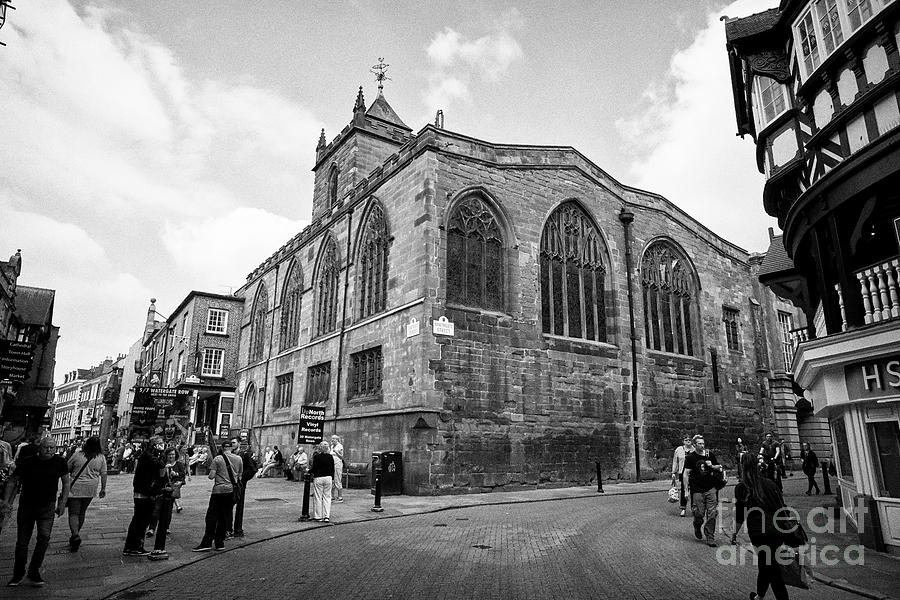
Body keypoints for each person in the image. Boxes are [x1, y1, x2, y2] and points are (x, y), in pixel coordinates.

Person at [2, 437, 70, 587]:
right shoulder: (27, 462)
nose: (49, 450)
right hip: (27, 506)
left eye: (52, 448)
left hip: (48, 507)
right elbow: (13, 480)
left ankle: (34, 571)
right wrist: (7, 501)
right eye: (46, 447)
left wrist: (63, 502)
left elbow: (66, 481)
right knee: (22, 542)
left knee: (44, 539)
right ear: (40, 447)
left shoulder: (60, 462)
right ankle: (18, 573)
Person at [731, 452, 793, 600]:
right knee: (767, 565)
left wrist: (734, 534)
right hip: (776, 530)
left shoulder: (742, 487)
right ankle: (759, 596)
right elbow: (782, 507)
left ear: (741, 466)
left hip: (759, 533)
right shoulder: (770, 483)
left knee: (772, 570)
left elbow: (740, 516)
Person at [192, 439, 243, 552]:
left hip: (219, 491)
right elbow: (239, 476)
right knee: (224, 517)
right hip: (230, 491)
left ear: (222, 448)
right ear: (231, 448)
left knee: (211, 517)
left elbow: (211, 476)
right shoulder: (238, 459)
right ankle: (220, 543)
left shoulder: (218, 459)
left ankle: (207, 542)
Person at [122, 438, 167, 556]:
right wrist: (162, 455)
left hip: (145, 490)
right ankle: (135, 546)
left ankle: (133, 546)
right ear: (154, 445)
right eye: (159, 444)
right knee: (141, 519)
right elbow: (160, 465)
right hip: (145, 491)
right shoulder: (148, 456)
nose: (162, 446)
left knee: (140, 519)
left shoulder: (148, 455)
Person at [65, 436, 107, 552]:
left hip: (76, 487)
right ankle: (76, 534)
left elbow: (67, 468)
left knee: (73, 513)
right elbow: (103, 474)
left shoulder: (78, 455)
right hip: (90, 488)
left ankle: (75, 534)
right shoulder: (101, 457)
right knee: (82, 512)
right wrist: (103, 489)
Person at [146, 447, 186, 561]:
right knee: (156, 510)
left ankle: (165, 527)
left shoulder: (179, 464)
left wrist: (175, 474)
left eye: (173, 454)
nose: (171, 456)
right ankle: (152, 528)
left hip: (172, 490)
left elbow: (182, 477)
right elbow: (157, 476)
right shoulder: (162, 463)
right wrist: (164, 470)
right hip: (161, 490)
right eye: (169, 454)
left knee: (168, 511)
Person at [683, 434, 723, 547]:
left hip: (711, 488)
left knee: (712, 513)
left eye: (703, 443)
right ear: (694, 445)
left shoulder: (710, 455)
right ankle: (697, 525)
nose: (702, 445)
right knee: (699, 513)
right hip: (697, 490)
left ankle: (710, 536)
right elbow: (686, 474)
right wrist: (686, 490)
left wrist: (712, 466)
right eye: (700, 444)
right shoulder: (690, 457)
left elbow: (719, 467)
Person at [232, 440, 257, 538]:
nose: (232, 444)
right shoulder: (228, 454)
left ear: (238, 443)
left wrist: (242, 478)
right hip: (229, 484)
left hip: (240, 484)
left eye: (234, 442)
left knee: (239, 506)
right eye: (231, 443)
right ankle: (227, 529)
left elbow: (252, 469)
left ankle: (238, 529)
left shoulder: (244, 454)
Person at [310, 441, 334, 523]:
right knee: (327, 497)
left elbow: (314, 468)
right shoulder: (330, 457)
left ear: (320, 448)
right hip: (328, 478)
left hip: (319, 478)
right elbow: (332, 469)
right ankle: (326, 516)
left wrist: (309, 471)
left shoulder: (317, 457)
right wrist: (332, 478)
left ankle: (318, 516)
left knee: (318, 497)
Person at [670, 435, 693, 517]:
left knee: (694, 490)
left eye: (689, 440)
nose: (688, 441)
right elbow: (675, 461)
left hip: (692, 472)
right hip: (682, 472)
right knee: (684, 489)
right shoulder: (679, 450)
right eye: (686, 440)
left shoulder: (694, 450)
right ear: (683, 441)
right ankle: (683, 508)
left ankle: (694, 508)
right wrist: (673, 472)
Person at [330, 435, 345, 503]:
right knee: (332, 480)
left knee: (337, 479)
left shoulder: (340, 446)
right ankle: (332, 496)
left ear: (337, 440)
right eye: (332, 438)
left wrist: (336, 452)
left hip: (338, 464)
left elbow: (342, 457)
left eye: (334, 439)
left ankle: (340, 497)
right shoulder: (332, 446)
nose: (332, 440)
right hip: (332, 465)